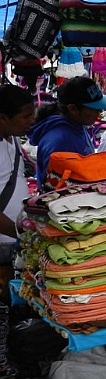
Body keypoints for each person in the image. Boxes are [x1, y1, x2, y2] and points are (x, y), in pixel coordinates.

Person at [28, 76, 106, 188]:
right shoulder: (59, 141)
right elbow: (56, 190)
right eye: (94, 109)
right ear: (73, 109)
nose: (99, 113)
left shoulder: (77, 124)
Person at [0, 85, 35, 259]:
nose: (32, 120)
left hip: (15, 241)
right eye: (26, 116)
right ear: (3, 118)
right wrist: (24, 235)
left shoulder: (13, 138)